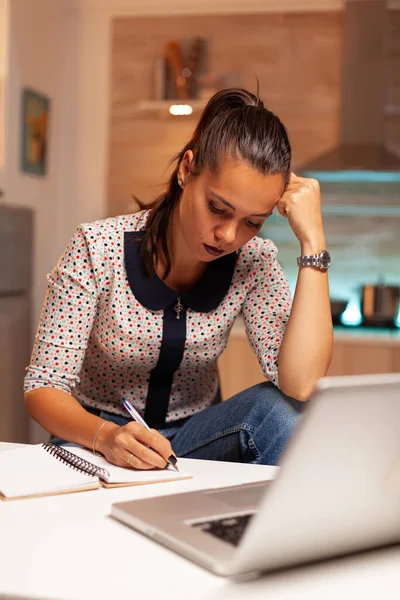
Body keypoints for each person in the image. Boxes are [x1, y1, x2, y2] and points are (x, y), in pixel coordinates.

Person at [24, 88, 333, 469]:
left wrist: (313, 241)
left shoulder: (255, 261)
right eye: (218, 208)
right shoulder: (97, 247)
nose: (229, 236)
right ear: (187, 170)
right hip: (96, 435)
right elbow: (43, 386)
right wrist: (106, 437)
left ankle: (263, 528)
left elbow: (301, 384)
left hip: (195, 439)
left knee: (283, 412)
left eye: (253, 222)